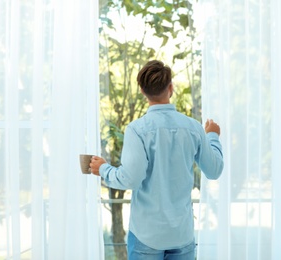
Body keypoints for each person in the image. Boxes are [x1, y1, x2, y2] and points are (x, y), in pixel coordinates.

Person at [90, 60, 224, 260]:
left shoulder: (137, 130)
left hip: (147, 236)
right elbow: (214, 170)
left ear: (142, 91)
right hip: (181, 234)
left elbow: (130, 179)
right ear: (171, 88)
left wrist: (103, 169)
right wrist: (212, 136)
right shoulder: (194, 128)